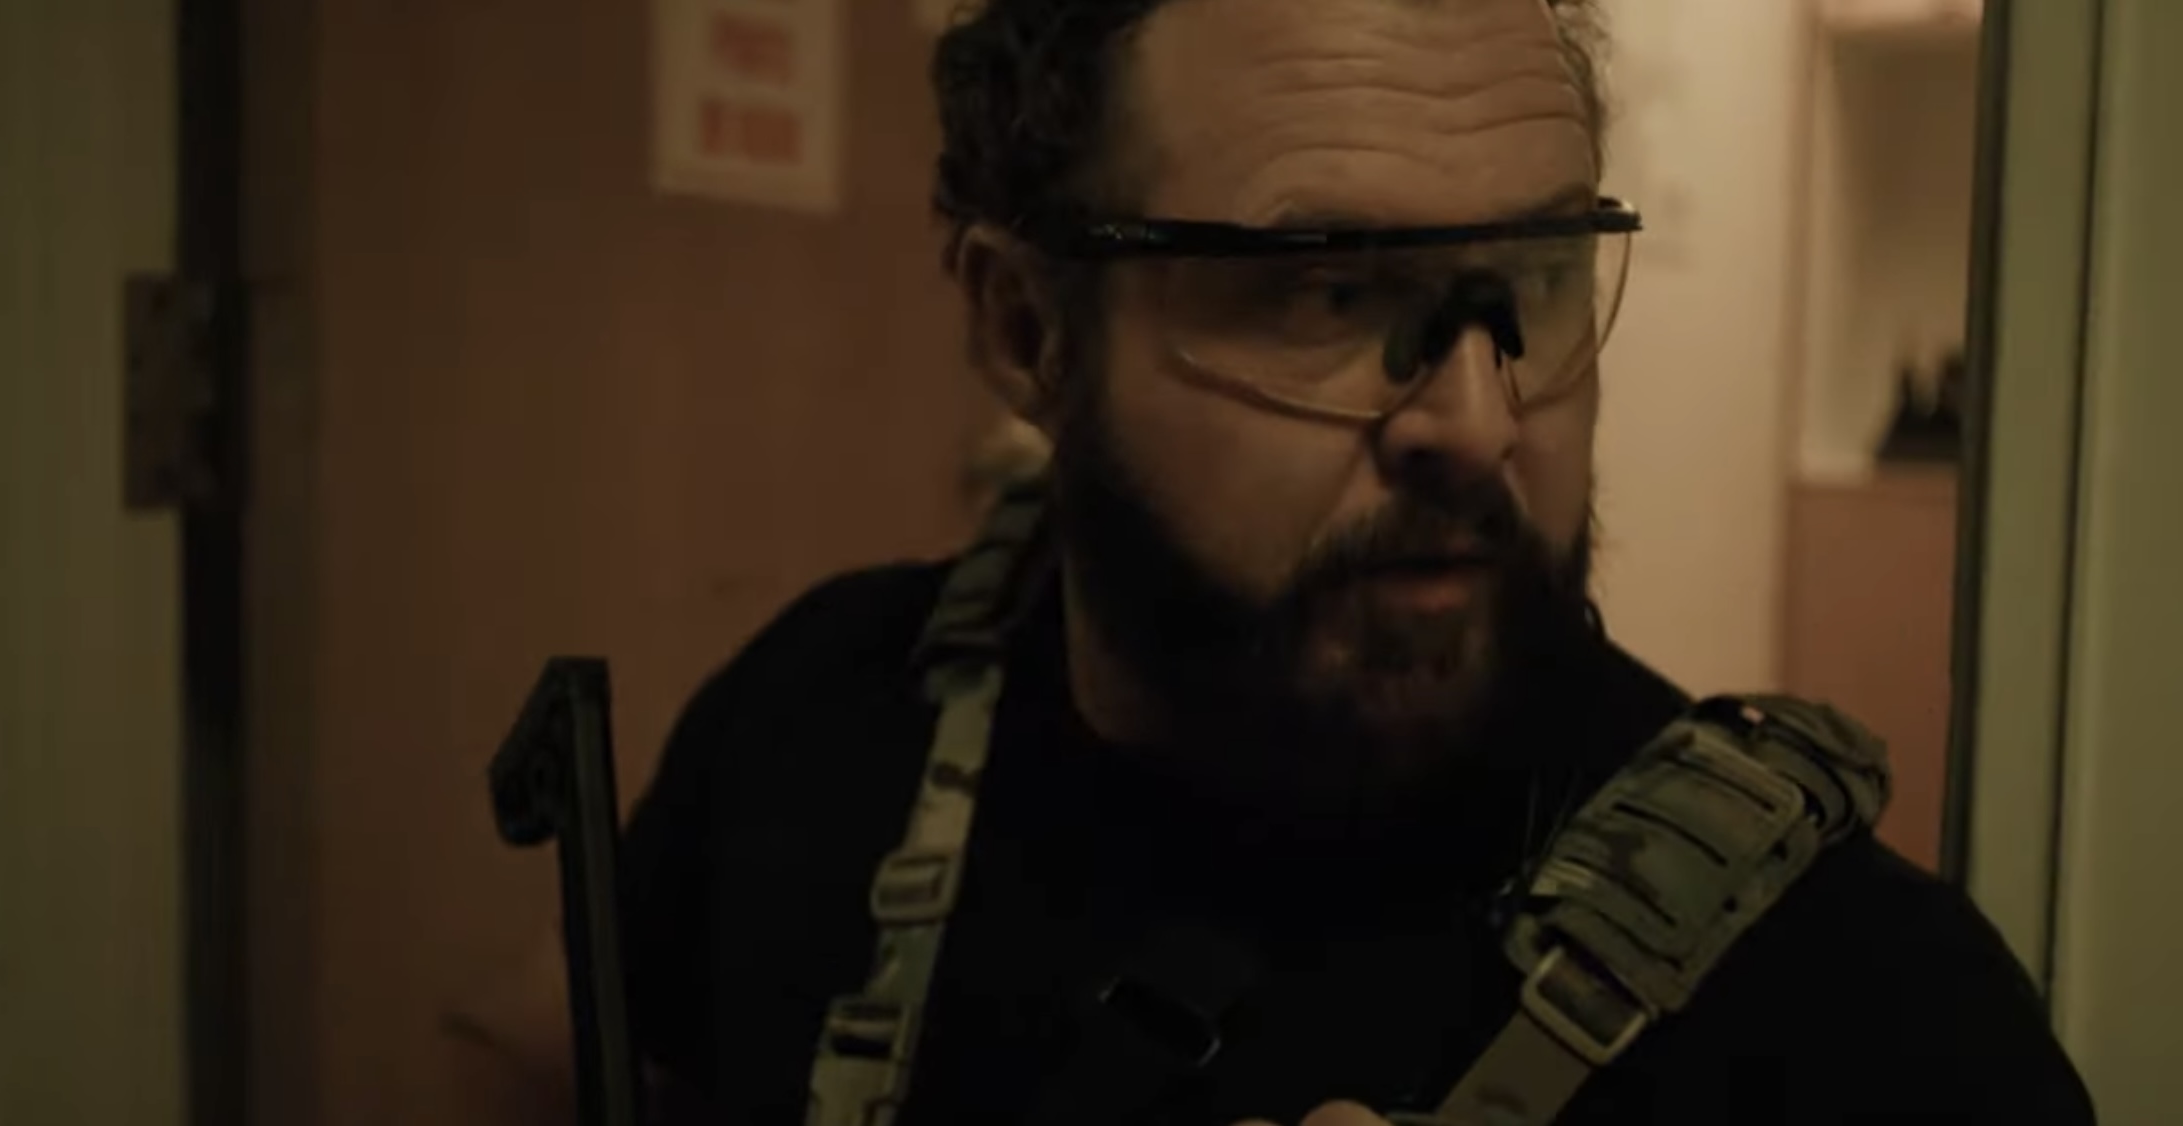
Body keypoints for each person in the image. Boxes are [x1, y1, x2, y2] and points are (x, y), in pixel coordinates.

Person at [442, 0, 2097, 1123]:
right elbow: (523, 1050)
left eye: (1530, 275)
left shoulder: (1864, 1014)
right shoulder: (828, 715)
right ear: (1027, 328)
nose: (1476, 421)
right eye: (1327, 289)